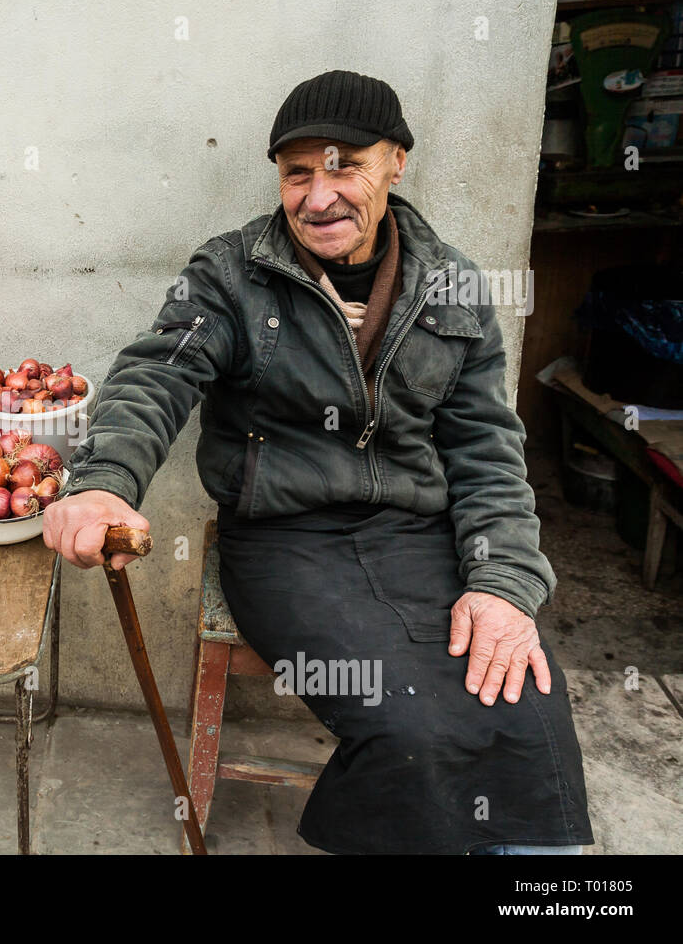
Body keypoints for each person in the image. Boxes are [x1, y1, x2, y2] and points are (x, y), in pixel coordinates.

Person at [43, 70, 594, 855]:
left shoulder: (454, 285)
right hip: (285, 543)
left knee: (530, 708)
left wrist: (503, 585)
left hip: (417, 539)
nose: (318, 196)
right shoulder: (232, 275)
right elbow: (157, 376)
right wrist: (103, 483)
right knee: (409, 724)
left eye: (344, 166)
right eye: (298, 173)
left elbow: (487, 452)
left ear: (396, 161)